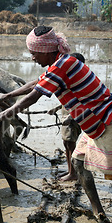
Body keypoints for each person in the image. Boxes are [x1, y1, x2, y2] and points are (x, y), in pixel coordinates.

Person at [0, 26, 112, 223]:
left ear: (46, 50)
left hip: (109, 120)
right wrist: (6, 96)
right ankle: (97, 211)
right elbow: (36, 83)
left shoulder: (64, 64)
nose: (32, 58)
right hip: (92, 123)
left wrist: (1, 115)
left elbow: (35, 95)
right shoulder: (58, 65)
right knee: (78, 163)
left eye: (33, 53)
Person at [47, 52, 85, 182]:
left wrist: (71, 117)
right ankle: (70, 170)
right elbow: (67, 99)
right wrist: (57, 108)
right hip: (66, 118)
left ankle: (74, 173)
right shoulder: (71, 79)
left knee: (71, 145)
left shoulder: (81, 81)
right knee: (66, 144)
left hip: (73, 119)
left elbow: (82, 102)